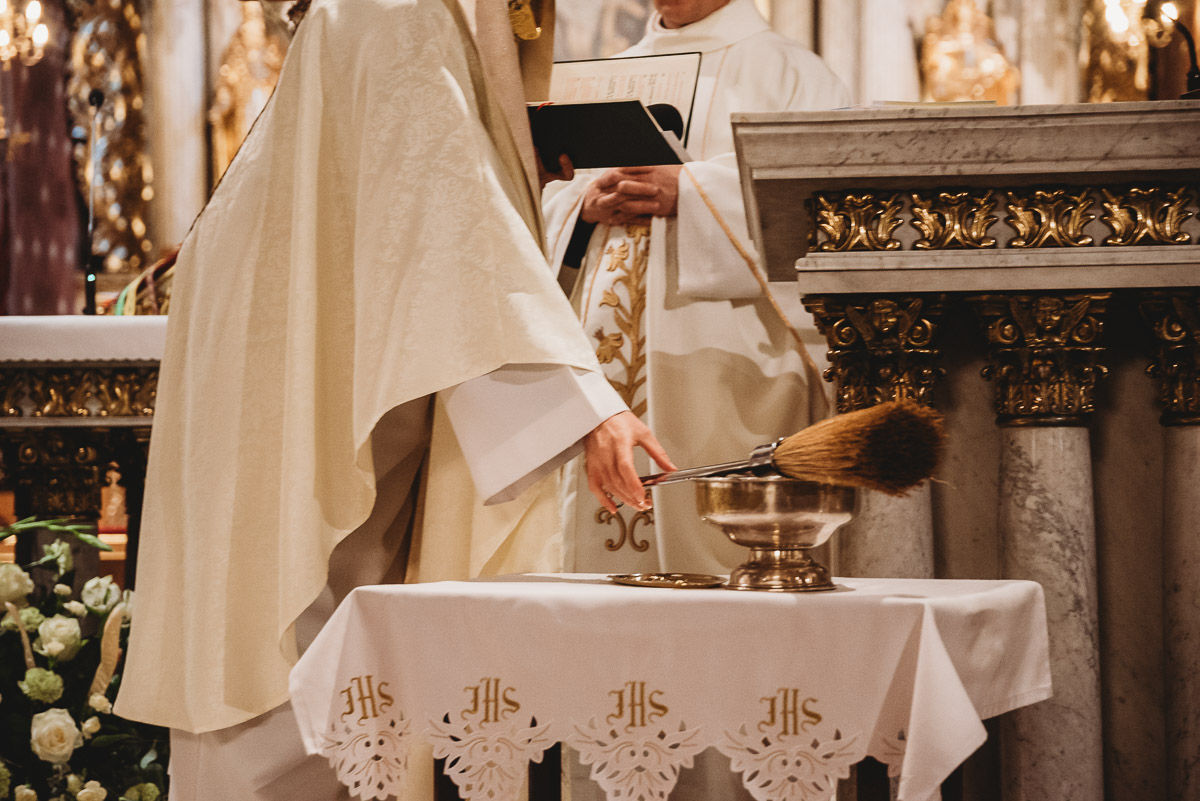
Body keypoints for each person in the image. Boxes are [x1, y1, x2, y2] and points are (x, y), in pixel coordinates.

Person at [113, 0, 674, 798]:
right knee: (293, 686)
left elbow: (444, 208)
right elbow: (454, 233)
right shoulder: (400, 11)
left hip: (312, 374)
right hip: (304, 399)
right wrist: (589, 404)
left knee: (325, 680)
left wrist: (516, 157)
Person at [543, 0, 850, 578]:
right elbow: (548, 202)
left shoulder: (790, 72)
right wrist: (582, 205)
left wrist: (692, 190)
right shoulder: (609, 75)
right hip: (604, 374)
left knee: (721, 561)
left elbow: (825, 207)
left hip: (728, 360)